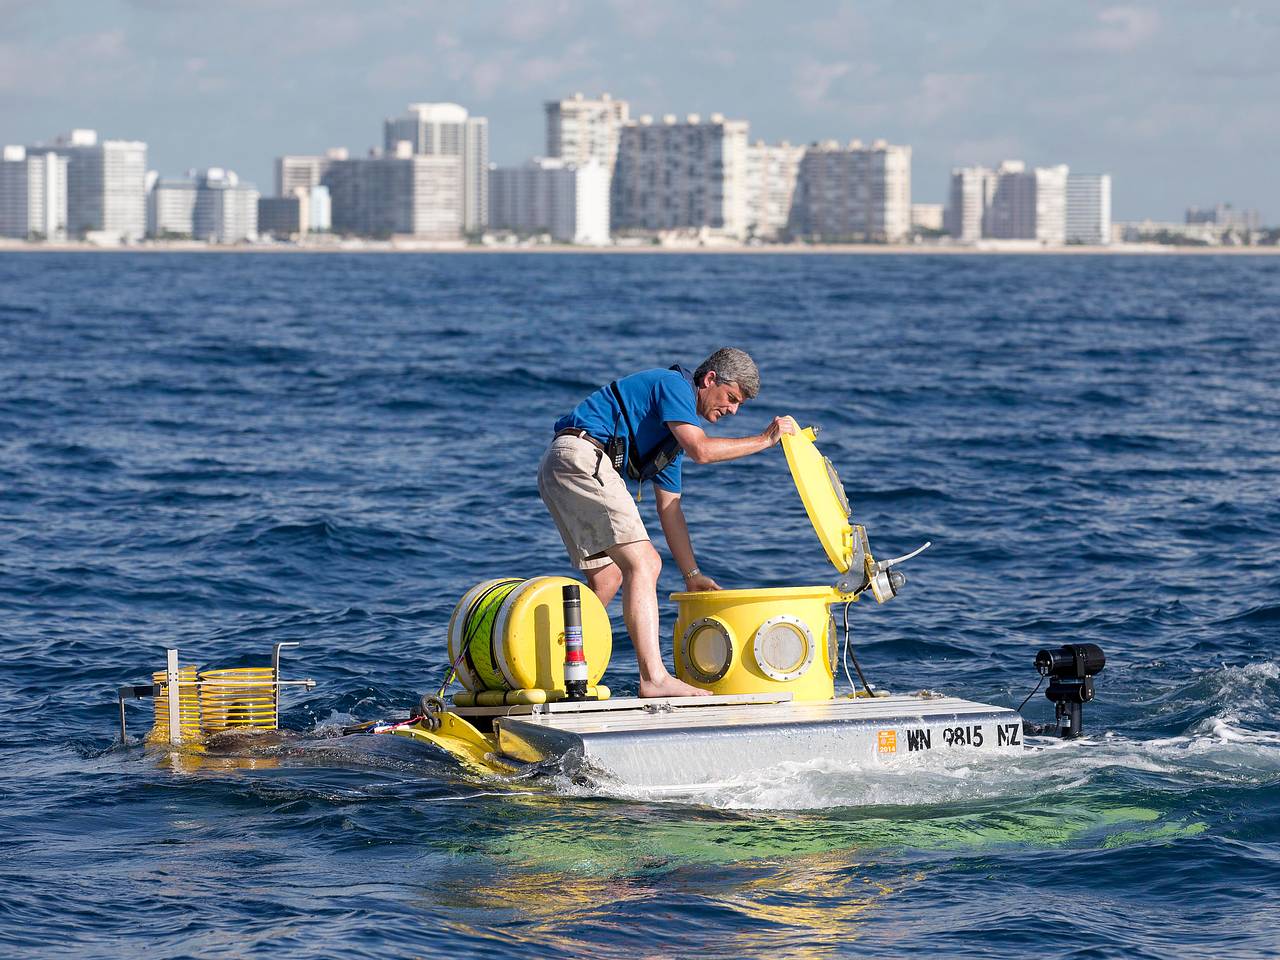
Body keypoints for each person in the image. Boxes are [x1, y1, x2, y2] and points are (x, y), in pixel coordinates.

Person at [538, 347, 796, 698]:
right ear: (709, 380)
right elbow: (701, 451)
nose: (733, 410)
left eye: (739, 405)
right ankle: (654, 678)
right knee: (645, 563)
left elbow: (670, 509)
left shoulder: (669, 441)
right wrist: (766, 441)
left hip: (561, 463)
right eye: (731, 398)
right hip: (582, 456)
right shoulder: (675, 386)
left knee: (608, 578)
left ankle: (553, 670)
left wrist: (692, 576)